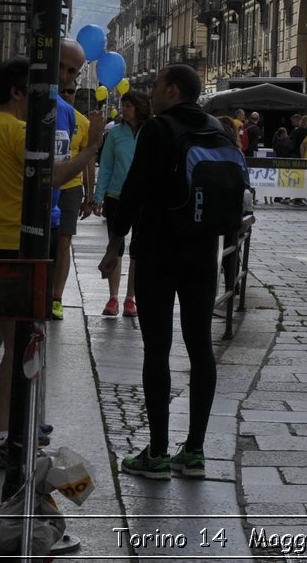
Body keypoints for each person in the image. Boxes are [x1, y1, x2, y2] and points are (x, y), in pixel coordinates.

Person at [0, 58, 104, 468]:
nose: (39, 103)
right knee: (19, 347)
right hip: (11, 250)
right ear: (18, 93)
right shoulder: (18, 131)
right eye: (34, 94)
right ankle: (2, 440)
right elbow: (52, 177)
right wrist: (90, 148)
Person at [101, 64, 233, 480]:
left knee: (157, 349)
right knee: (200, 348)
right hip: (202, 252)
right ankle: (194, 451)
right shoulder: (219, 128)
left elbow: (134, 189)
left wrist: (115, 240)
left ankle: (157, 452)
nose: (152, 91)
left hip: (159, 250)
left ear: (172, 91)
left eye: (156, 85)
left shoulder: (157, 129)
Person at [95, 90, 150, 317]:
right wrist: (98, 196)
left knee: (137, 250)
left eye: (128, 105)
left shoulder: (150, 131)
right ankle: (113, 297)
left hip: (144, 198)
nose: (123, 108)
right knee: (115, 247)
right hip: (116, 197)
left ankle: (131, 298)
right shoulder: (115, 134)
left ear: (138, 107)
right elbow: (106, 166)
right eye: (123, 104)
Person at [50, 39, 93, 321]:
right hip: (45, 188)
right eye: (61, 70)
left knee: (63, 244)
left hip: (69, 189)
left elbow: (87, 160)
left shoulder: (81, 121)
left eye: (71, 83)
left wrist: (90, 194)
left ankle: (56, 297)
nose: (65, 87)